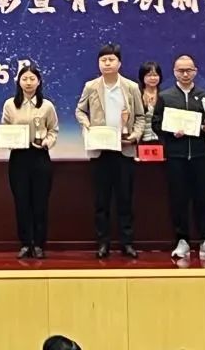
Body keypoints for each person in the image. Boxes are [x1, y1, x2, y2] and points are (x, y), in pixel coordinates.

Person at [75, 43, 147, 259]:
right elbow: (80, 110)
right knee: (101, 201)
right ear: (99, 63)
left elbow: (141, 117)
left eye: (111, 60)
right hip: (100, 150)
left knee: (125, 200)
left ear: (119, 63)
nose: (107, 63)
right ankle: (103, 243)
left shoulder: (131, 87)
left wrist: (135, 136)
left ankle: (127, 243)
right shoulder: (91, 86)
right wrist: (86, 125)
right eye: (103, 60)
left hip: (124, 150)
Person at [153, 53, 205, 260]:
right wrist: (170, 132)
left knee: (203, 199)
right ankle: (182, 240)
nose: (185, 74)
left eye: (189, 70)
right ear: (174, 72)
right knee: (178, 199)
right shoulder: (165, 97)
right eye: (181, 70)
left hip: (200, 156)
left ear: (195, 72)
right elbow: (156, 124)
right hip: (176, 157)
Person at [1, 63, 58, 259]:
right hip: (18, 158)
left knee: (40, 203)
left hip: (40, 157)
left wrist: (47, 142)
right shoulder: (10, 105)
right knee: (22, 202)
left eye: (32, 79)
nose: (28, 82)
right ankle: (25, 243)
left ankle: (39, 244)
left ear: (39, 81)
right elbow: (5, 129)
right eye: (24, 79)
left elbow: (53, 130)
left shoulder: (47, 106)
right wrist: (8, 140)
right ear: (18, 82)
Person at [136, 61, 164, 144]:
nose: (153, 78)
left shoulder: (164, 95)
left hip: (159, 140)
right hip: (140, 139)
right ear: (142, 77)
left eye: (155, 75)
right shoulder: (137, 94)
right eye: (149, 75)